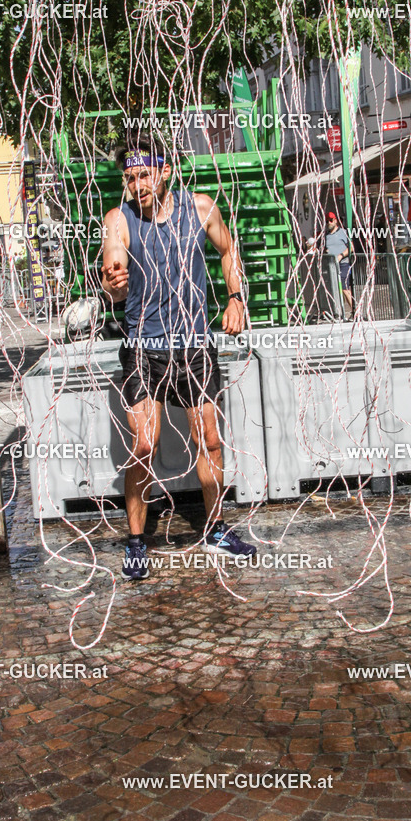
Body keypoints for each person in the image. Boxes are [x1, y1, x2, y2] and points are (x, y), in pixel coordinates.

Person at [101, 132, 256, 580]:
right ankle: (136, 542)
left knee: (209, 439)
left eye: (145, 174)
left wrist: (236, 298)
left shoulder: (201, 208)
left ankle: (216, 529)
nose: (138, 185)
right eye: (129, 178)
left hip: (192, 345)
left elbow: (229, 250)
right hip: (143, 349)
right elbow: (112, 259)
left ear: (165, 171)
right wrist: (114, 281)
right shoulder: (120, 217)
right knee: (144, 446)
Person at [324, 211, 353, 318]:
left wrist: (341, 255)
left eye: (331, 220)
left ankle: (356, 311)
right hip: (331, 266)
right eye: (327, 221)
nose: (329, 223)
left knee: (344, 287)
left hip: (343, 264)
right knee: (335, 288)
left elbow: (351, 248)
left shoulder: (343, 232)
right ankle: (340, 312)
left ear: (335, 221)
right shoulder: (326, 236)